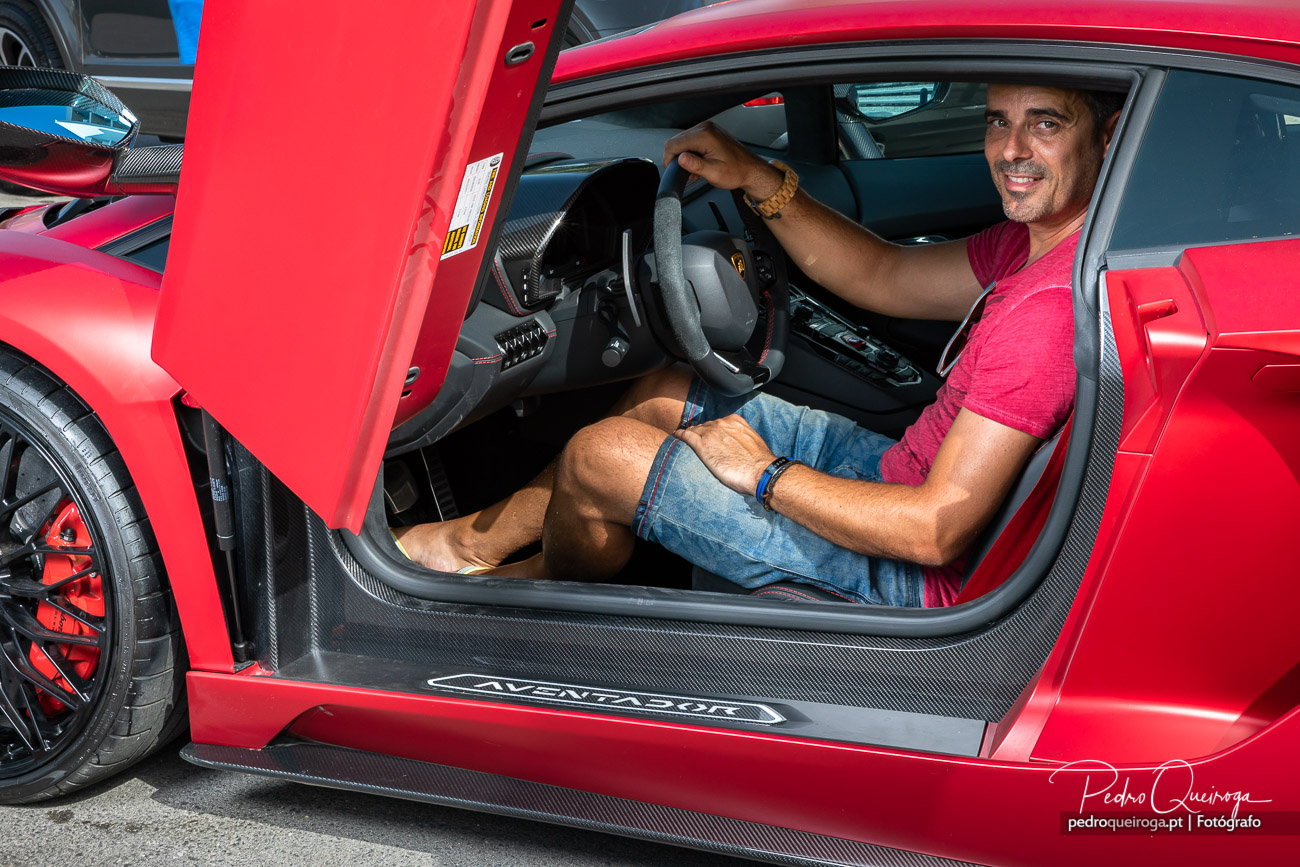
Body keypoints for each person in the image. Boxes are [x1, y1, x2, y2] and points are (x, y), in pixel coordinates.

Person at [394, 83, 1123, 607]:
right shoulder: (1035, 248)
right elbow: (884, 273)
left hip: (908, 572)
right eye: (999, 122)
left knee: (598, 458)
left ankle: (522, 600)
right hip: (894, 469)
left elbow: (934, 531)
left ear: (1108, 135)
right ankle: (468, 545)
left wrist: (764, 473)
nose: (1012, 150)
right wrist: (759, 180)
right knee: (663, 395)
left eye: (1046, 124)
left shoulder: (1048, 314)